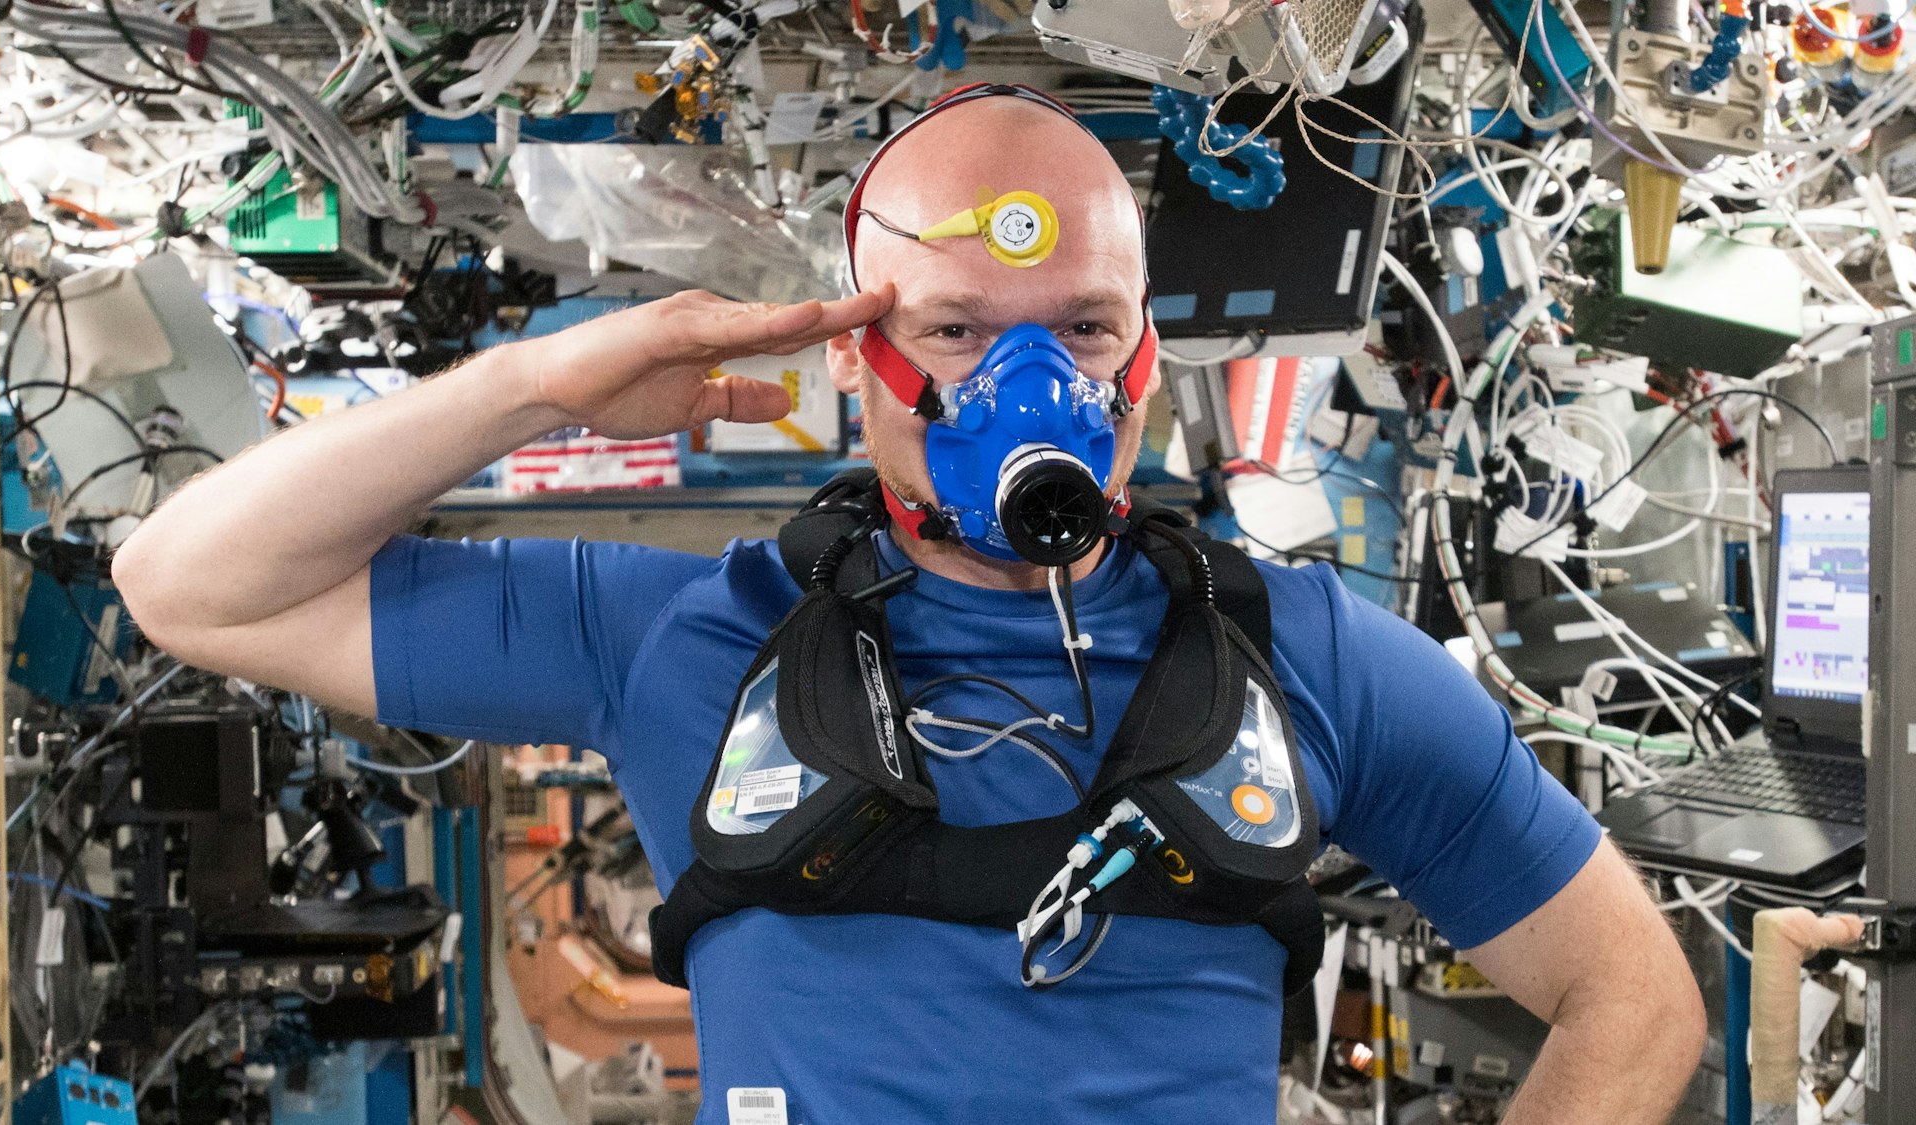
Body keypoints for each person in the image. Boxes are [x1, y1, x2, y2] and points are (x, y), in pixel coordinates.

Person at [115, 84, 1705, 1123]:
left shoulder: (1313, 663)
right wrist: (550, 384)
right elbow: (189, 583)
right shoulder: (688, 638)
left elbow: (1634, 1001)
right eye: (953, 328)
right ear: (855, 352)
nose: (1035, 384)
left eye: (1083, 325)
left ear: (1148, 356)